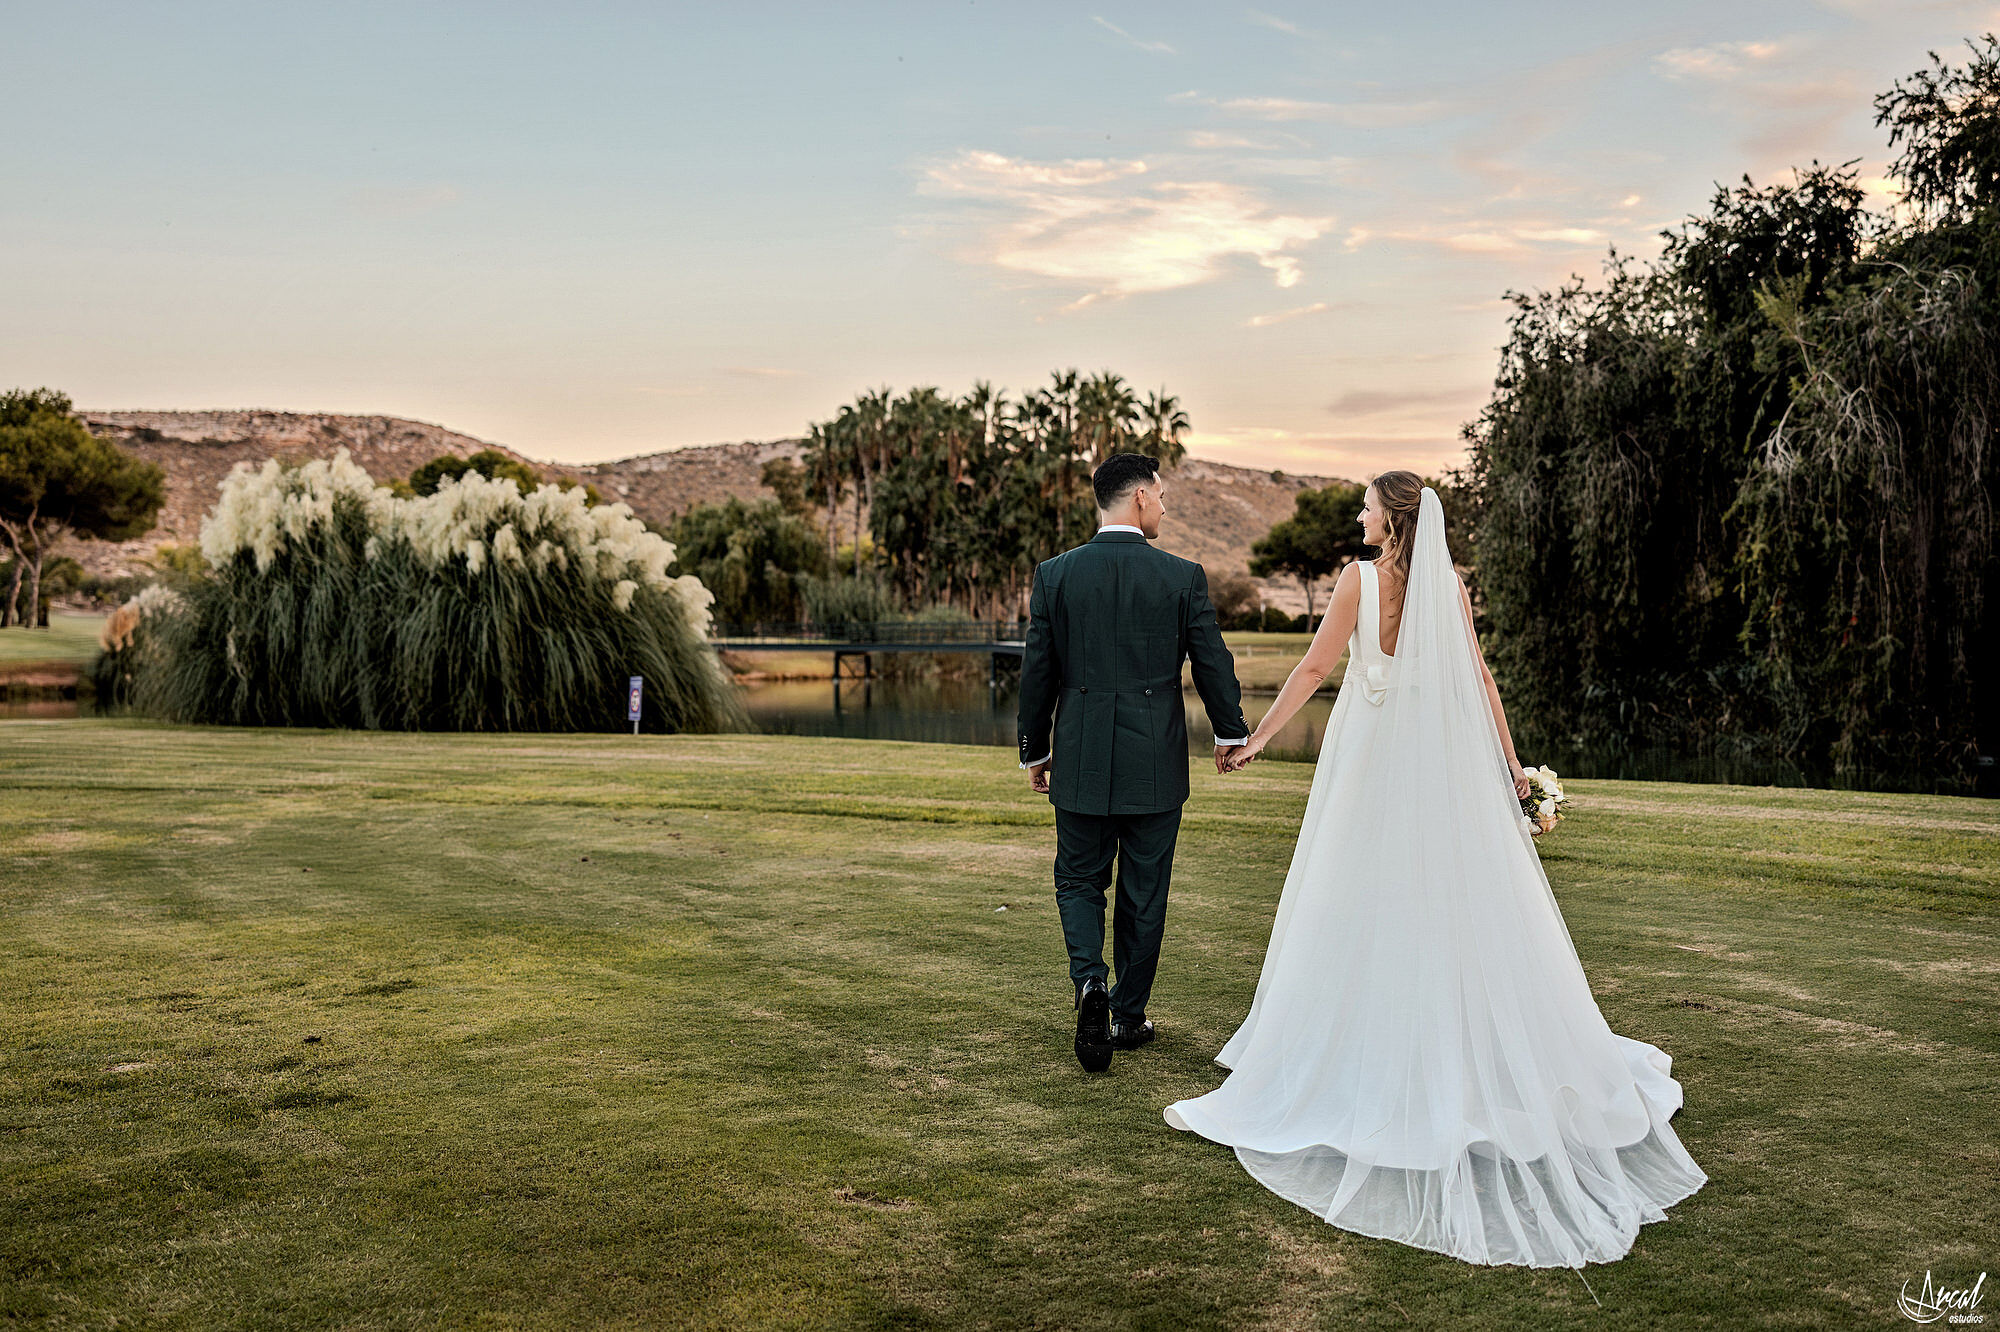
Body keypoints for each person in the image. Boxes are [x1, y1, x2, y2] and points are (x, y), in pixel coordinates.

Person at [1166, 470, 1708, 1268]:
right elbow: (1479, 679)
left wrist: (1257, 739)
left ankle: (1366, 1055)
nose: (1359, 515)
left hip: (1369, 763)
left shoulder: (1356, 581)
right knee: (1444, 899)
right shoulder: (1447, 586)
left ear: (1391, 519)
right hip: (1435, 765)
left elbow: (1314, 670)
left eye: (1367, 506)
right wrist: (1510, 767)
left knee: (1355, 899)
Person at [1017, 452, 1250, 1073]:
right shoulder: (1182, 576)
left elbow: (1037, 671)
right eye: (1163, 496)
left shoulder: (1055, 575)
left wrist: (1036, 750)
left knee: (1078, 879)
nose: (1165, 508)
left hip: (1081, 756)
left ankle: (1090, 982)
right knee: (1144, 892)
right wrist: (1230, 732)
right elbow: (1212, 661)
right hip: (1155, 761)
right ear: (1141, 496)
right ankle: (1126, 1015)